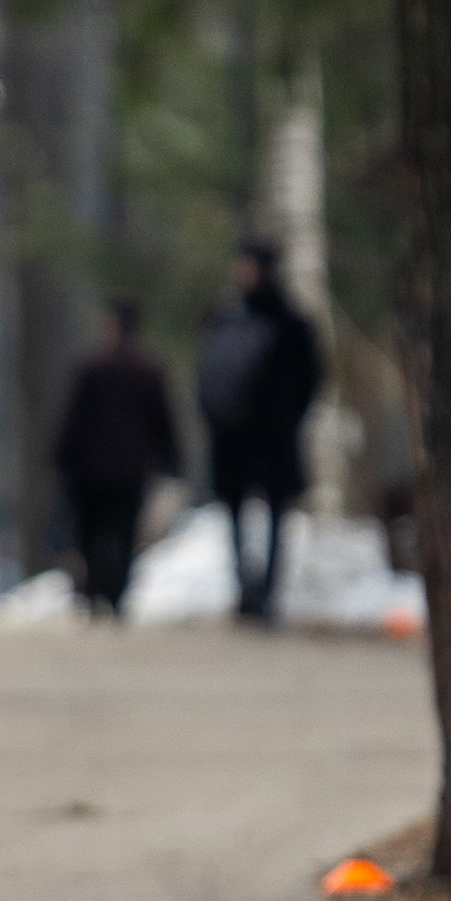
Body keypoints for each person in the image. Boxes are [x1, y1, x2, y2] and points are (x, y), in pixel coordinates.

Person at [194, 239, 322, 622]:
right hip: (248, 435)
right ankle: (250, 590)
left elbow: (310, 379)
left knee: (271, 515)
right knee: (247, 513)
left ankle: (263, 592)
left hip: (260, 434)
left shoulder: (260, 320)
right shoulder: (260, 319)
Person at [53, 296, 179, 619]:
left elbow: (73, 421)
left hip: (91, 471)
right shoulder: (148, 371)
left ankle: (96, 589)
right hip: (130, 470)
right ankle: (116, 591)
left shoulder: (91, 367)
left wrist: (61, 460)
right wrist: (169, 460)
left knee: (91, 532)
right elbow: (162, 422)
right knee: (124, 533)